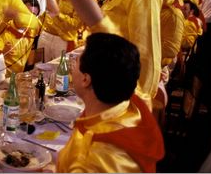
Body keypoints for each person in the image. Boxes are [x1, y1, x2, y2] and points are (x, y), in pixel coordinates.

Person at [57, 33, 165, 172]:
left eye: (77, 60)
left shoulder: (90, 160)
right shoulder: (132, 108)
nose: (73, 64)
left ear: (86, 80)